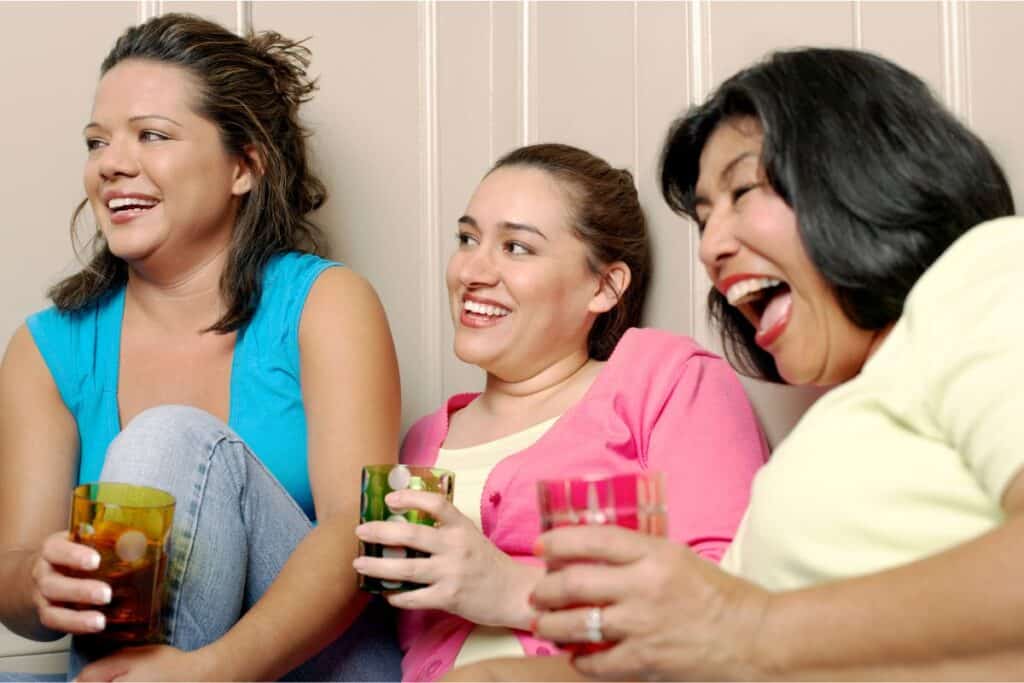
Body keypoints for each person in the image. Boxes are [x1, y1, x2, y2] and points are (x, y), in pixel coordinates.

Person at [446, 47, 1024, 681]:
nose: (712, 248)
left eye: (743, 191)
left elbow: (742, 638)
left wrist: (747, 627)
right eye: (703, 219)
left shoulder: (988, 274)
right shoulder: (843, 424)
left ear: (864, 174)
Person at [0, 13, 403, 682]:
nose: (111, 164)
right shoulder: (47, 347)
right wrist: (38, 581)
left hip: (319, 665)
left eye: (151, 136)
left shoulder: (327, 304)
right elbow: (13, 572)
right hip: (134, 665)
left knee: (169, 438)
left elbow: (351, 536)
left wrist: (212, 670)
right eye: (96, 142)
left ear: (244, 166)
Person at [351, 143, 768, 682]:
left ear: (604, 286)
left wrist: (513, 590)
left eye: (517, 248)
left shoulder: (663, 381)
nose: (473, 270)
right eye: (467, 239)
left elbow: (730, 595)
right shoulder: (422, 440)